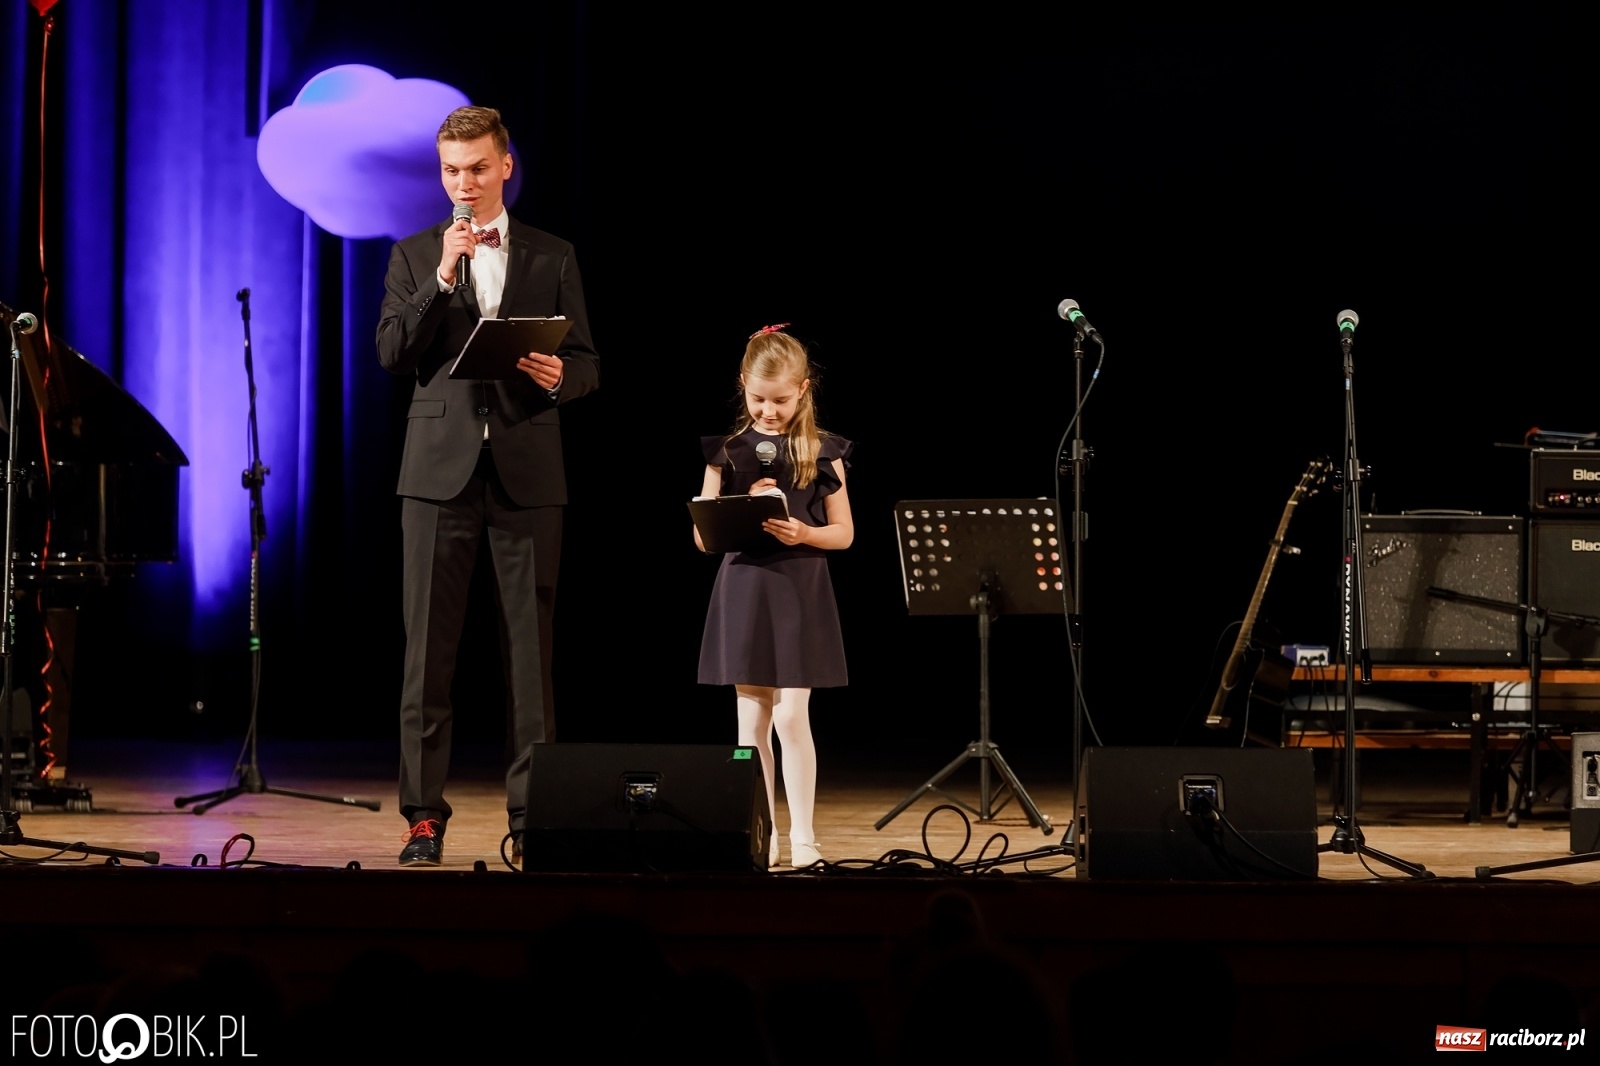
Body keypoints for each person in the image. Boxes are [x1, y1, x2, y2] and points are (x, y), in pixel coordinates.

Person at [376, 105, 600, 866]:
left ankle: (534, 818)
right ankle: (422, 819)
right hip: (436, 476)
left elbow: (589, 362)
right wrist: (441, 277)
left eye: (476, 168)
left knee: (530, 662)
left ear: (505, 166)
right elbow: (392, 351)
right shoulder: (413, 255)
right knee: (427, 657)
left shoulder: (552, 253)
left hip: (526, 474)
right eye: (450, 171)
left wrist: (563, 376)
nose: (463, 184)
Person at [694, 325, 853, 869]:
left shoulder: (821, 452)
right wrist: (740, 505)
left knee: (791, 717)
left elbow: (844, 533)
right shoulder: (726, 452)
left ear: (803, 390)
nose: (768, 410)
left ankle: (804, 834)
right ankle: (760, 831)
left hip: (798, 586)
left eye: (780, 400)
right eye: (758, 398)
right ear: (743, 386)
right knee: (750, 721)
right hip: (744, 585)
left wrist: (803, 532)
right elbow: (702, 535)